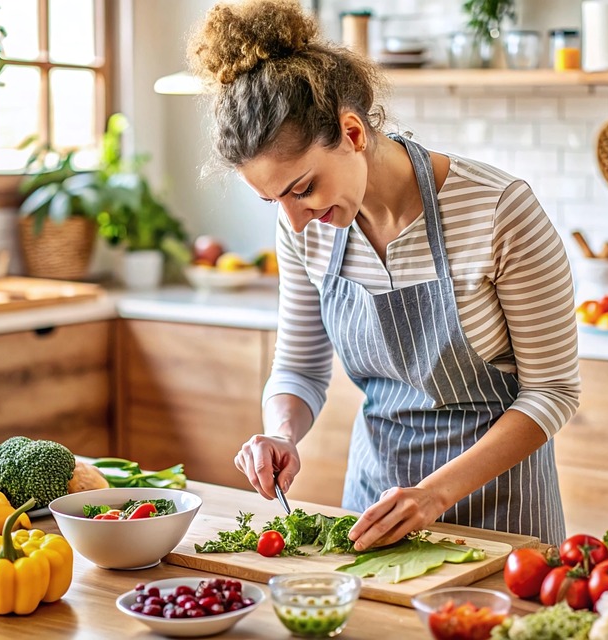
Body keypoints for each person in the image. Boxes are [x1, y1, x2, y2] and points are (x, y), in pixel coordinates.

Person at [187, 0, 580, 549]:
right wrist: (281, 434)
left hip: (504, 516)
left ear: (352, 133)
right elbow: (299, 367)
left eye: (303, 189)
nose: (295, 221)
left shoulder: (497, 209)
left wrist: (434, 495)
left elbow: (552, 392)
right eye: (274, 201)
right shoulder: (308, 228)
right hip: (375, 509)